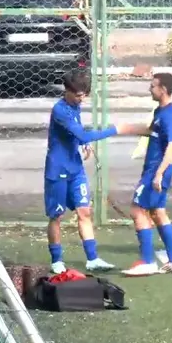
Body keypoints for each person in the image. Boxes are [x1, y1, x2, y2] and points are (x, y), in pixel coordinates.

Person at [44, 68, 140, 274]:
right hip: (57, 170)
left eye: (84, 95)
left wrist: (83, 144)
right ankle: (57, 260)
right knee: (56, 216)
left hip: (75, 168)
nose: (82, 99)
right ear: (67, 91)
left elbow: (78, 134)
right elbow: (83, 135)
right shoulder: (60, 110)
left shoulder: (75, 107)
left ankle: (93, 259)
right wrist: (116, 129)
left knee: (84, 211)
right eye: (78, 95)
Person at [122, 73, 172, 277]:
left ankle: (147, 261)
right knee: (158, 212)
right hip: (153, 170)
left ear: (163, 89)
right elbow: (151, 131)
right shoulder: (161, 111)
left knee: (137, 210)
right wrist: (122, 129)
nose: (149, 89)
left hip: (156, 171)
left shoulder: (171, 116)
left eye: (152, 86)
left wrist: (159, 174)